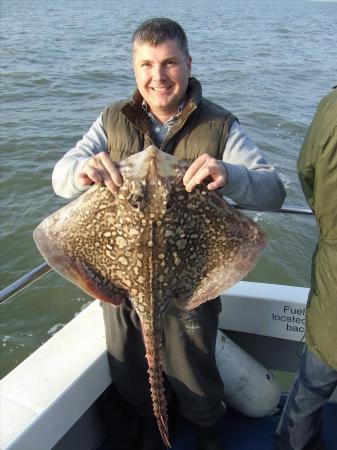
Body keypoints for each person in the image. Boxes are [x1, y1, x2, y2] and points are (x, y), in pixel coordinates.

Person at [52, 18, 286, 450]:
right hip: (120, 278)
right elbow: (61, 178)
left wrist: (228, 174)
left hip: (190, 277)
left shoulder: (219, 126)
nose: (157, 77)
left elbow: (272, 190)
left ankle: (203, 429)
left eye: (169, 63)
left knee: (195, 367)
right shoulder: (111, 121)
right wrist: (81, 171)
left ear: (188, 64)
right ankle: (149, 423)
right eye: (146, 65)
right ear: (134, 69)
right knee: (129, 366)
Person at [275, 87, 337, 450]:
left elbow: (305, 168)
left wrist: (327, 222)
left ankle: (293, 443)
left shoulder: (331, 105)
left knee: (313, 383)